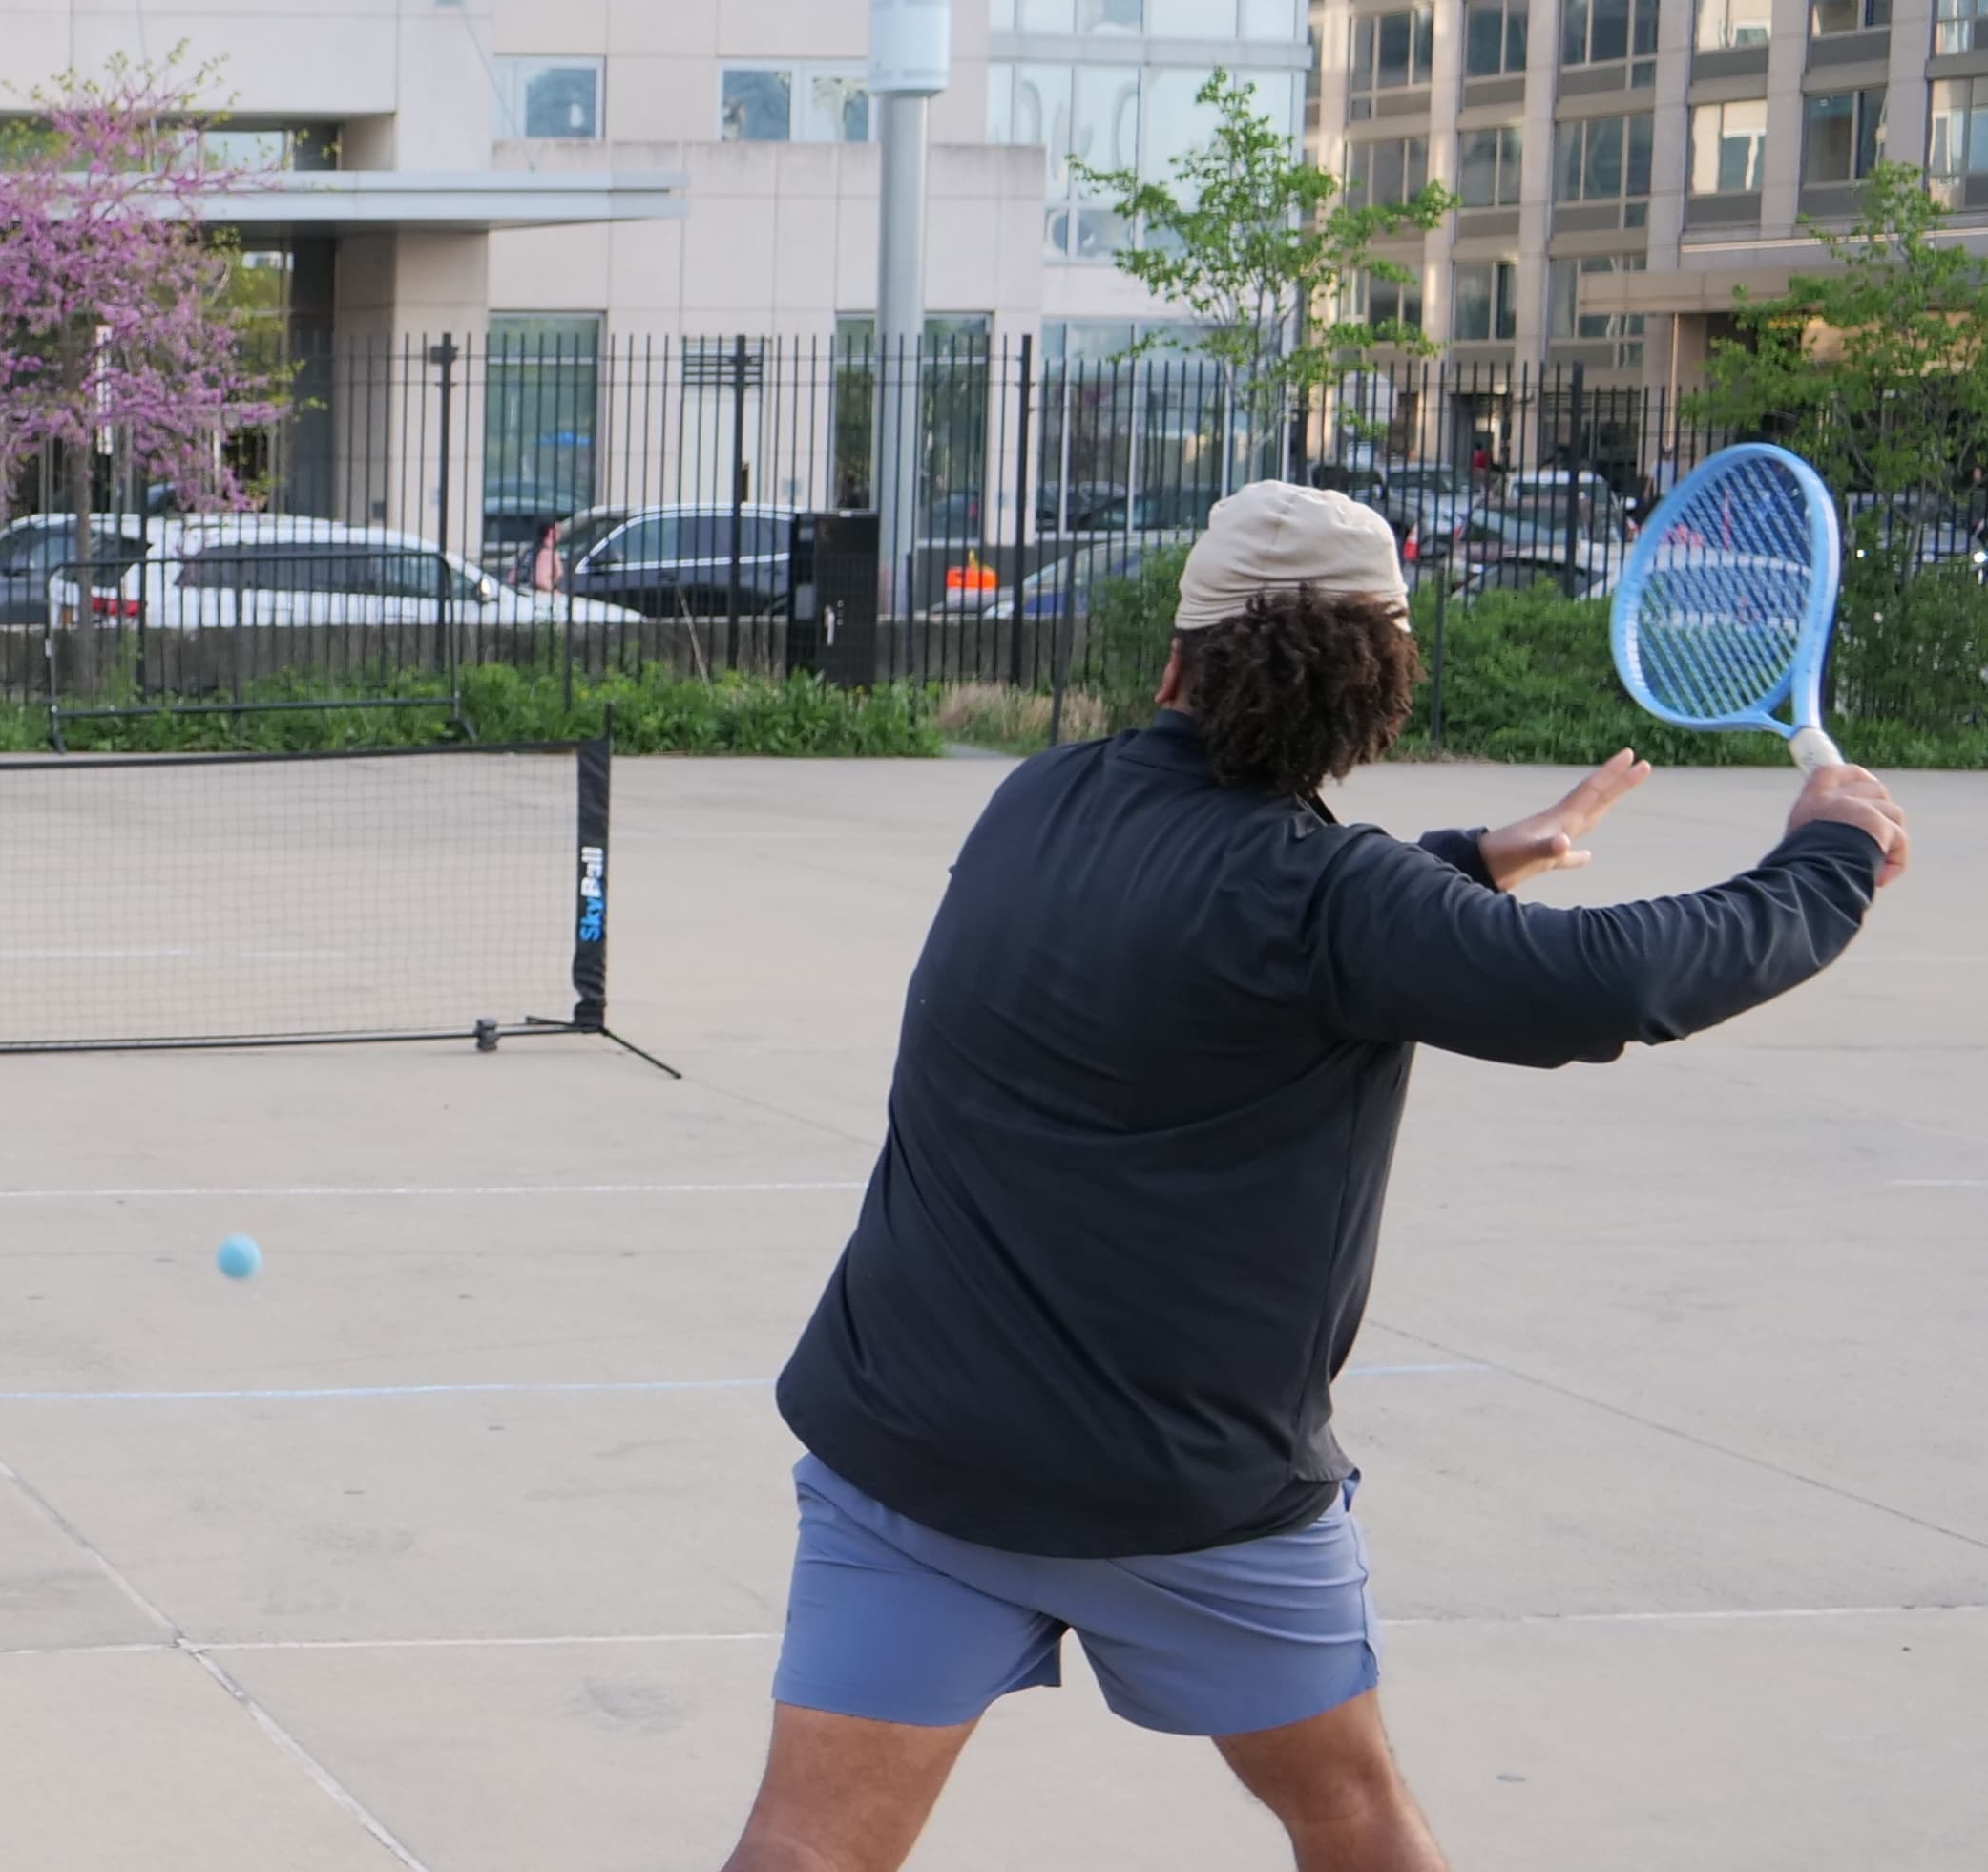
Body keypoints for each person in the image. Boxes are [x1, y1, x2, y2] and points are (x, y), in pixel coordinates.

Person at [717, 482, 1909, 1872]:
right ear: (1376, 699)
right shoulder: (1337, 903)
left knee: (807, 1851)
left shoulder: (1037, 802)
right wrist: (1826, 856)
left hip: (910, 1451)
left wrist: (1455, 872)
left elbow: (1215, 912)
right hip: (1188, 1493)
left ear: (1175, 662)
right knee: (1353, 1820)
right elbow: (1612, 983)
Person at [532, 518, 567, 596]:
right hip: (542, 599)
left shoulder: (528, 552)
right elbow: (541, 580)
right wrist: (555, 593)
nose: (561, 533)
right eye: (559, 530)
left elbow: (512, 578)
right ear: (551, 532)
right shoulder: (548, 553)